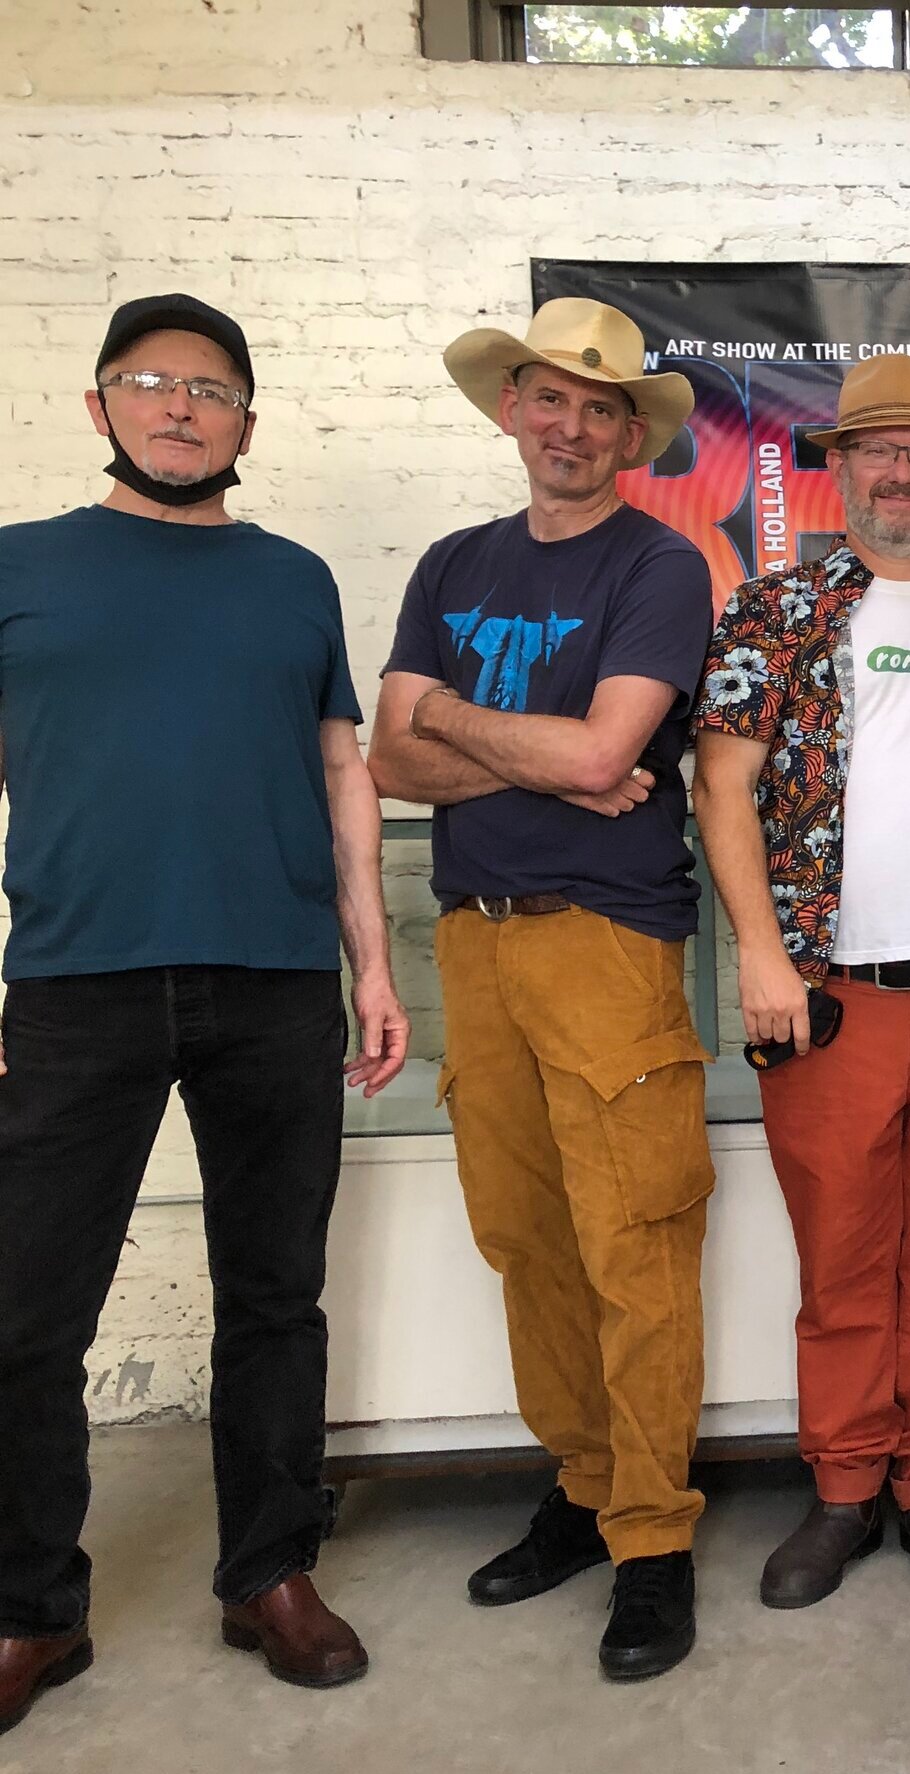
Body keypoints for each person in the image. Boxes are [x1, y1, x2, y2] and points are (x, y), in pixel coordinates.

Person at [0, 294, 403, 1726]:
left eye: (211, 387)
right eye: (151, 382)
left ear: (247, 417)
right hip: (71, 984)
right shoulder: (19, 567)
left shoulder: (291, 579)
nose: (181, 406)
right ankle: (30, 1607)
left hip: (272, 976)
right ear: (99, 405)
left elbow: (343, 771)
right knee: (29, 1311)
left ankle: (268, 1572)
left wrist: (371, 961)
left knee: (273, 1297)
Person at [367, 297, 714, 1682]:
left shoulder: (657, 566)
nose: (571, 424)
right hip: (476, 939)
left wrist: (450, 713)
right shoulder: (453, 561)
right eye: (548, 397)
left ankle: (652, 1538)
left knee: (635, 1243)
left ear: (632, 434)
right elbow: (392, 762)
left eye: (599, 405)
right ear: (511, 407)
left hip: (605, 940)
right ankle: (580, 1487)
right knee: (527, 1236)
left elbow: (597, 758)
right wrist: (522, 743)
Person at [693, 354, 910, 1610]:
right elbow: (719, 785)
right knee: (842, 1260)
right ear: (838, 471)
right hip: (827, 998)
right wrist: (760, 951)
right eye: (875, 452)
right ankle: (844, 1490)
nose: (899, 473)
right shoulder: (773, 616)